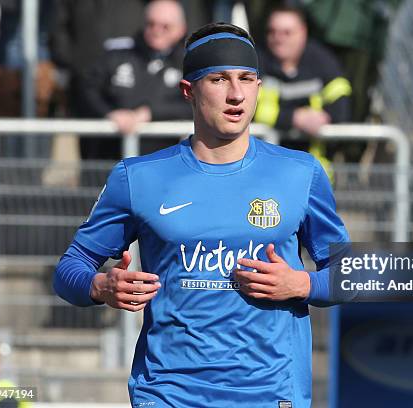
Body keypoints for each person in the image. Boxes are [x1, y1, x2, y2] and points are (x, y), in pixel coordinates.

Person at [54, 22, 349, 407]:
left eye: (247, 79)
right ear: (189, 91)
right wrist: (100, 286)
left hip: (269, 394)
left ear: (260, 87)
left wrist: (301, 285)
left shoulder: (300, 173)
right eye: (219, 80)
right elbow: (68, 269)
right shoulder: (138, 177)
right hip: (168, 394)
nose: (236, 94)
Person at [79, 0, 193, 160]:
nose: (157, 31)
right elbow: (88, 88)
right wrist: (109, 113)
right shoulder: (117, 56)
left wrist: (150, 113)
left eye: (165, 26)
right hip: (110, 158)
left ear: (181, 29)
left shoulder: (190, 64)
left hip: (160, 160)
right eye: (151, 24)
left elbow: (196, 104)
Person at [253, 6, 352, 173]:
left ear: (303, 32)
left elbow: (341, 100)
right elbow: (250, 108)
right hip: (265, 172)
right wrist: (295, 118)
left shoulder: (322, 60)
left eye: (287, 32)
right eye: (272, 32)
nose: (278, 38)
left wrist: (325, 118)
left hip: (313, 174)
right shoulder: (255, 60)